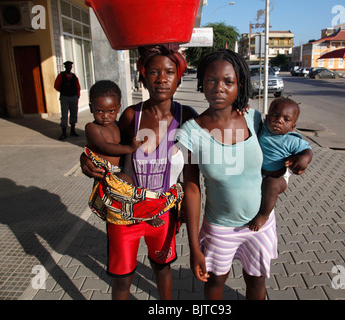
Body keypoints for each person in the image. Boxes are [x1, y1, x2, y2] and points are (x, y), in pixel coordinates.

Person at [80, 44, 198, 300]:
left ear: (179, 76)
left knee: (162, 268)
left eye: (169, 71)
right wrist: (86, 158)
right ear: (143, 76)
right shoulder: (132, 115)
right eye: (154, 72)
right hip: (125, 215)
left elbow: (194, 172)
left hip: (163, 214)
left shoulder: (187, 117)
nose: (162, 79)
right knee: (122, 279)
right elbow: (110, 147)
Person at [176, 49, 272, 300]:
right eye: (211, 80)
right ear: (201, 83)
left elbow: (280, 149)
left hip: (259, 225)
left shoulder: (254, 118)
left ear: (240, 85)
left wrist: (299, 160)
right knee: (215, 281)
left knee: (256, 281)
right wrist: (194, 245)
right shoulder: (191, 132)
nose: (219, 87)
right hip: (220, 228)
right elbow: (192, 188)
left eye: (228, 81)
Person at [85, 80, 179, 227]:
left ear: (118, 109)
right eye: (99, 111)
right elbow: (103, 146)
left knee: (134, 187)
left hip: (120, 172)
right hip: (107, 174)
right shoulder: (91, 127)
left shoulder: (117, 125)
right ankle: (145, 215)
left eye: (111, 111)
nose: (105, 116)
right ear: (91, 108)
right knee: (127, 185)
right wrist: (129, 148)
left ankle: (143, 212)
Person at [248, 97, 313, 232]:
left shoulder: (291, 140)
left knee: (271, 185)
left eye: (286, 119)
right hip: (259, 174)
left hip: (279, 177)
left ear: (292, 127)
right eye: (275, 115)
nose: (279, 120)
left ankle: (263, 215)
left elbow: (307, 150)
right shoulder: (263, 128)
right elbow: (249, 118)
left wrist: (303, 160)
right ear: (267, 117)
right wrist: (245, 108)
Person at [54, 61, 81, 140]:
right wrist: (63, 91)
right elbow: (56, 85)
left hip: (73, 97)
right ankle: (64, 132)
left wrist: (77, 95)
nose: (69, 67)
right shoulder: (61, 75)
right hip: (65, 97)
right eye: (68, 66)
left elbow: (78, 86)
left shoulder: (74, 76)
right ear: (65, 67)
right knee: (64, 115)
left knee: (74, 113)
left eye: (70, 66)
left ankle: (73, 130)